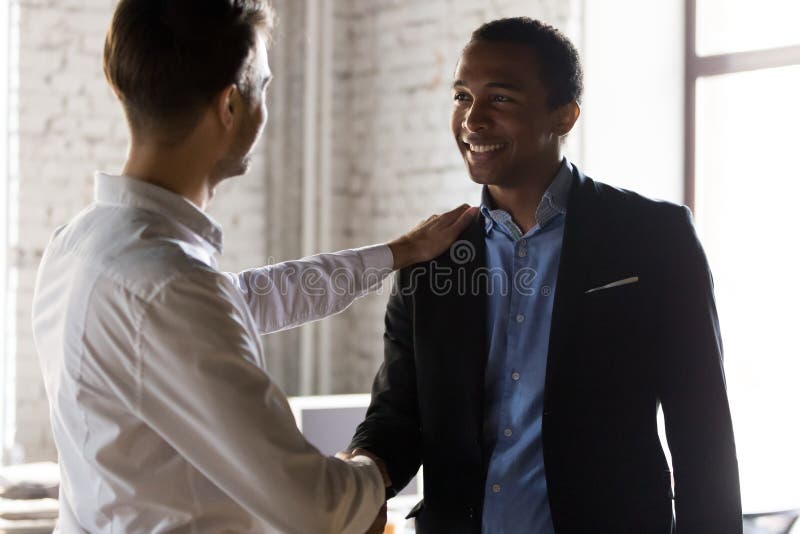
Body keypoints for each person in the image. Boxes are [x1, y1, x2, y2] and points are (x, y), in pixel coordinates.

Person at [30, 1, 476, 532]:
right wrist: (375, 466)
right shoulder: (170, 285)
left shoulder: (82, 242)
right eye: (263, 86)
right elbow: (312, 507)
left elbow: (245, 298)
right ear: (231, 106)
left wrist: (392, 254)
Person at [346, 17, 742, 533]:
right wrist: (359, 477)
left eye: (501, 99)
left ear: (565, 115)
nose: (472, 120)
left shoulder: (654, 237)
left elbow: (702, 426)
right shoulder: (431, 256)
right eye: (462, 97)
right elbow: (399, 413)